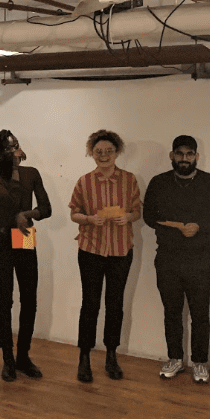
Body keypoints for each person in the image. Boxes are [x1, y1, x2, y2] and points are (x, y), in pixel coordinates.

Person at [143, 135, 210, 385]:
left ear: (197, 157)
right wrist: (171, 225)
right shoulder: (159, 183)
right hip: (167, 259)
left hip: (200, 259)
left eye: (189, 154)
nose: (184, 159)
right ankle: (175, 358)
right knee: (171, 312)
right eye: (179, 154)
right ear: (172, 156)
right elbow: (148, 216)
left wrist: (200, 227)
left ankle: (200, 362)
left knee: (200, 313)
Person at [68, 130, 142, 383]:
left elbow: (137, 210)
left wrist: (129, 217)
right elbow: (73, 213)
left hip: (121, 250)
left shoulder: (129, 180)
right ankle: (84, 357)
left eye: (108, 151)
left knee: (115, 304)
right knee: (89, 305)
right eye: (98, 151)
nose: (103, 156)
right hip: (91, 249)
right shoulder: (84, 181)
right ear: (92, 153)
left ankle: (112, 355)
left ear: (117, 152)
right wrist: (89, 219)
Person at [0, 129, 52, 382]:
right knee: (5, 299)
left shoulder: (31, 173)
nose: (14, 152)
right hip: (1, 236)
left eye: (16, 146)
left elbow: (46, 208)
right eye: (8, 149)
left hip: (24, 235)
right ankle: (8, 359)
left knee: (29, 297)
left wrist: (27, 215)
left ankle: (24, 355)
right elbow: (9, 201)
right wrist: (13, 170)